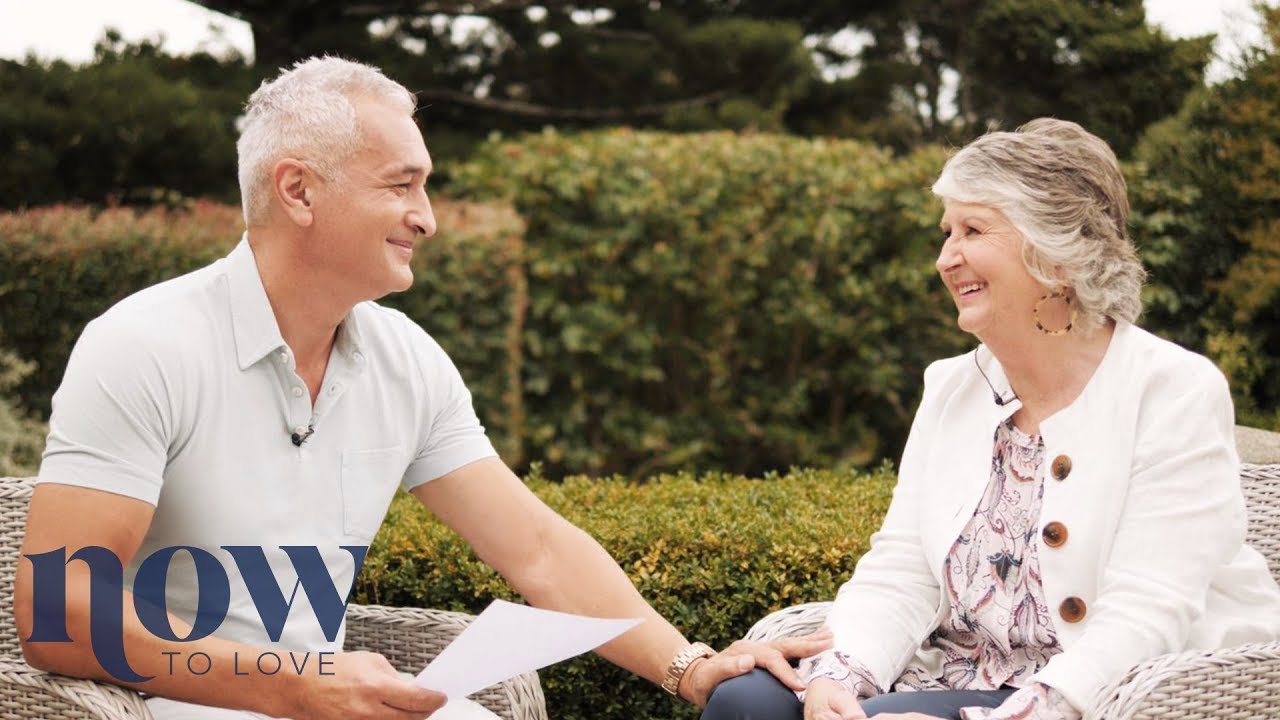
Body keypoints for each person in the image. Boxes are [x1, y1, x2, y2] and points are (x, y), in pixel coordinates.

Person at [12, 57, 829, 720]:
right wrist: (291, 685)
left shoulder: (406, 360)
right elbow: (58, 613)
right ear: (298, 191)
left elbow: (539, 551)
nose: (427, 216)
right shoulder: (142, 345)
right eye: (400, 185)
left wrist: (691, 669)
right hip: (167, 705)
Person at [701, 118, 1280, 720]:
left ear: (1057, 254)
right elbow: (902, 569)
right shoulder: (951, 386)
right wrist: (840, 677)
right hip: (949, 670)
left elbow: (1149, 606)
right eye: (947, 232)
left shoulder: (1173, 391)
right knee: (746, 702)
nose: (946, 257)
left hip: (1093, 690)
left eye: (973, 230)